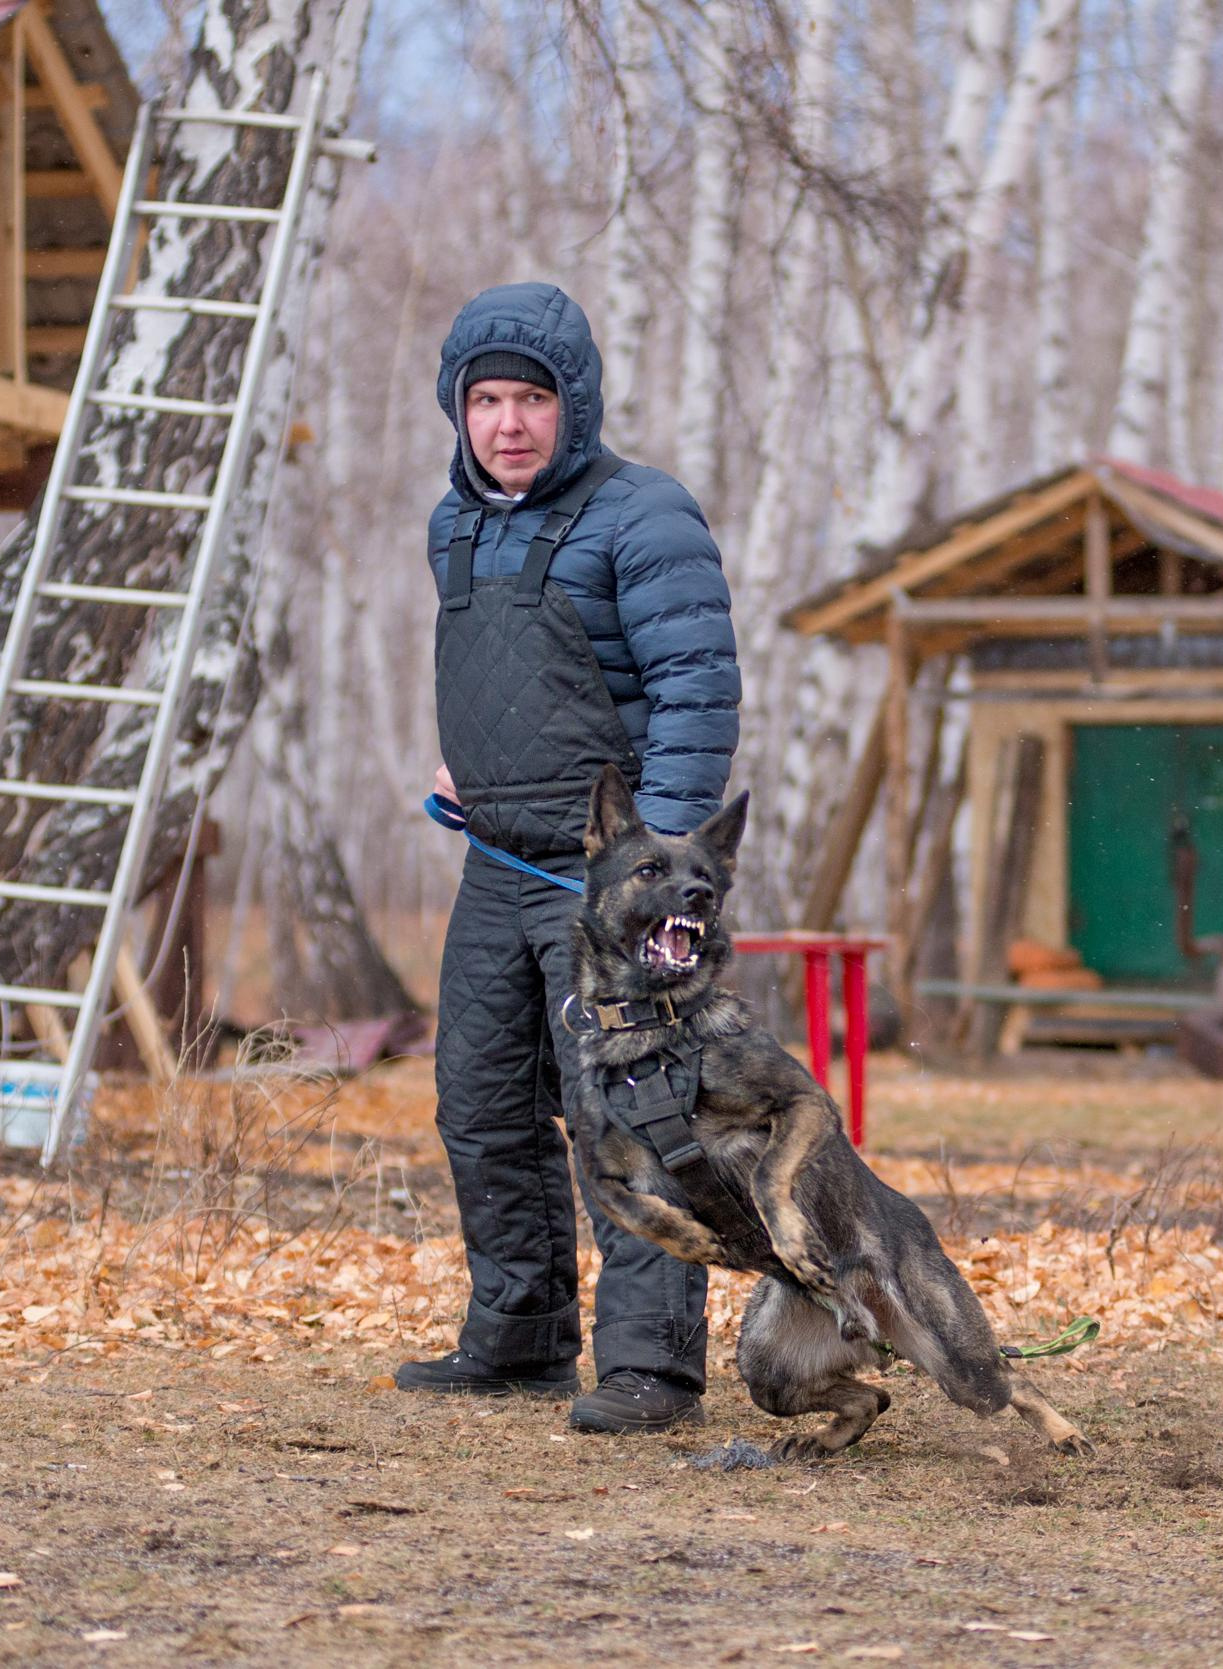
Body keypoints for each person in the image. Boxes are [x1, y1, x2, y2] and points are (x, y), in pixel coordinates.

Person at [398, 281, 740, 1434]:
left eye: (530, 399)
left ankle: (650, 1368)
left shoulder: (646, 515)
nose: (506, 423)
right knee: (480, 1103)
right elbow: (502, 679)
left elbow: (696, 695)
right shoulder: (456, 524)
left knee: (631, 1110)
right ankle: (518, 1337)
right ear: (457, 409)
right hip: (498, 865)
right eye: (484, 399)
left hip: (610, 886)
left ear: (573, 405)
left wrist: (660, 878)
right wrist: (468, 771)